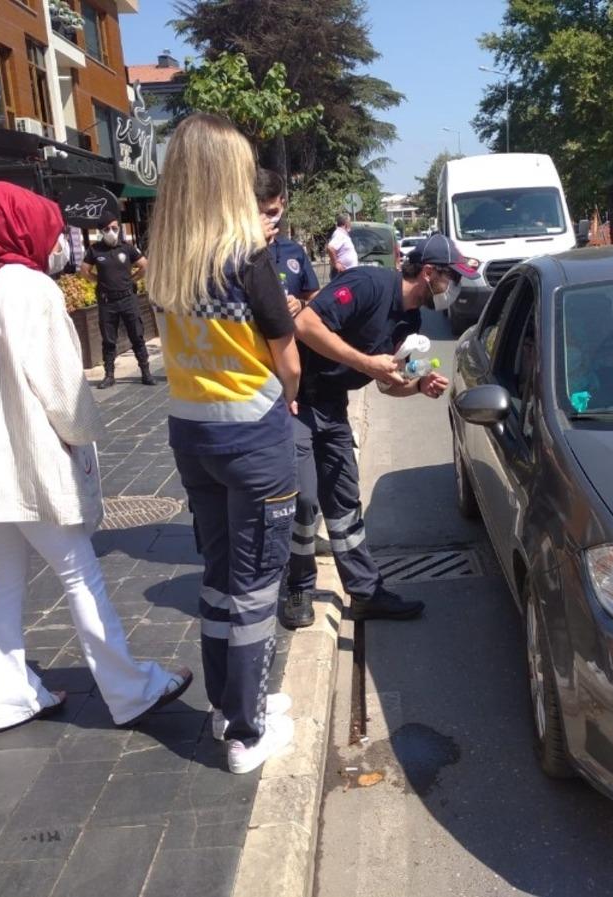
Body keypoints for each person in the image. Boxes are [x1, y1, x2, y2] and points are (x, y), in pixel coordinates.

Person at [0, 181, 191, 733]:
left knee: (4, 577)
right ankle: (129, 688)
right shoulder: (29, 288)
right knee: (79, 574)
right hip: (25, 464)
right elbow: (63, 389)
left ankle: (6, 697)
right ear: (23, 228)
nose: (56, 240)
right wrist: (83, 438)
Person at [146, 113, 303, 775]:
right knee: (255, 587)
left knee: (218, 578)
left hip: (193, 434)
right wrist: (288, 397)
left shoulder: (168, 260)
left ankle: (226, 705)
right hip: (255, 438)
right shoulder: (248, 256)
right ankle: (246, 728)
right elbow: (287, 357)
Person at [283, 233, 474, 629]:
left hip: (333, 405)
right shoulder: (367, 284)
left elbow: (390, 381)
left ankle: (367, 594)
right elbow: (304, 323)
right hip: (297, 401)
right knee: (303, 502)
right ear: (427, 272)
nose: (454, 286)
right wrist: (366, 363)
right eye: (450, 277)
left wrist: (417, 385)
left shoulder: (411, 319)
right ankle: (299, 586)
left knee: (344, 503)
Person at [82, 210, 154, 389]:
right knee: (109, 340)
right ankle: (109, 375)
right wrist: (99, 281)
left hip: (127, 298)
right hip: (108, 302)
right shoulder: (94, 250)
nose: (112, 231)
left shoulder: (127, 247)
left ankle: (146, 372)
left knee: (137, 335)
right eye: (107, 228)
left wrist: (133, 279)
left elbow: (144, 265)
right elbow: (84, 270)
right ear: (101, 231)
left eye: (115, 227)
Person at [255, 168, 320, 314]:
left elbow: (316, 298)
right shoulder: (234, 254)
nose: (265, 220)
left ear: (282, 204)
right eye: (257, 213)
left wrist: (300, 304)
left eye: (271, 212)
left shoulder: (293, 250)